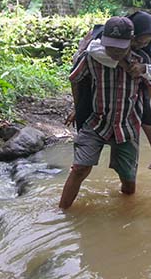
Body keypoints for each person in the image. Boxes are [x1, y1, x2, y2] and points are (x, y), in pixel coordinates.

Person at [60, 17, 144, 210]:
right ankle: (61, 214)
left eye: (119, 48)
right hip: (96, 123)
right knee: (79, 169)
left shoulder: (141, 63)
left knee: (128, 181)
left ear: (131, 41)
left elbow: (147, 95)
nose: (114, 52)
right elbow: (75, 78)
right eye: (110, 46)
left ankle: (126, 217)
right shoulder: (92, 57)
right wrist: (78, 107)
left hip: (127, 127)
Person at [84, 11, 151, 175]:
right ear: (131, 35)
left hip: (136, 88)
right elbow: (92, 49)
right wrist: (122, 63)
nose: (140, 45)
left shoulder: (146, 51)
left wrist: (143, 68)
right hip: (103, 88)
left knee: (146, 113)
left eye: (145, 42)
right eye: (138, 41)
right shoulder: (107, 38)